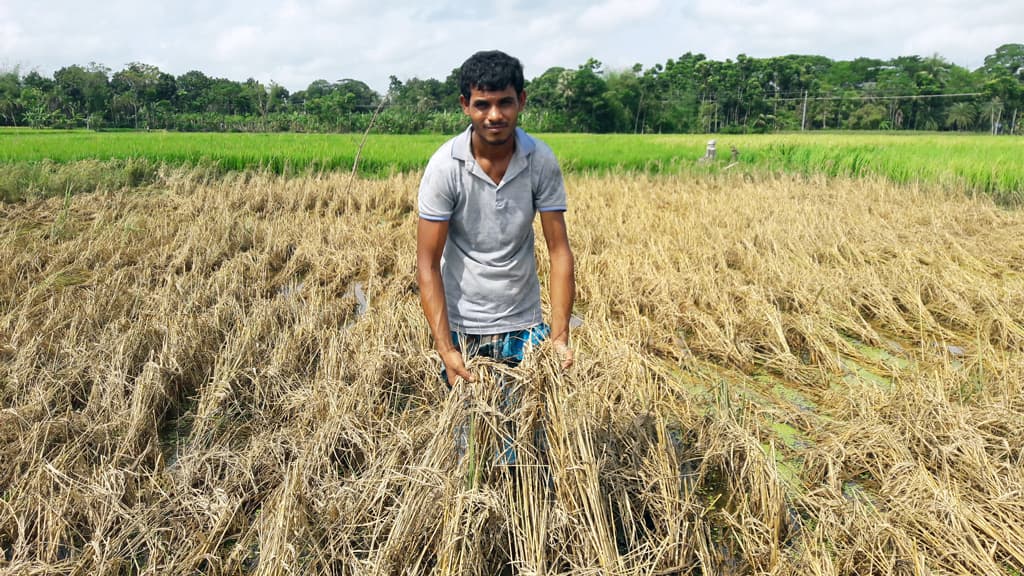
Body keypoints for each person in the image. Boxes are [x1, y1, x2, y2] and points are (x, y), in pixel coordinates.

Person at [416, 50, 575, 388]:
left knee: (527, 432)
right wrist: (446, 348)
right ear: (465, 105)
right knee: (467, 436)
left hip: (526, 324)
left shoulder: (540, 160)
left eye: (505, 103)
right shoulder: (445, 167)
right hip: (464, 327)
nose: (494, 115)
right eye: (482, 104)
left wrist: (559, 337)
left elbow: (559, 251)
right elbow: (427, 263)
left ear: (521, 101)